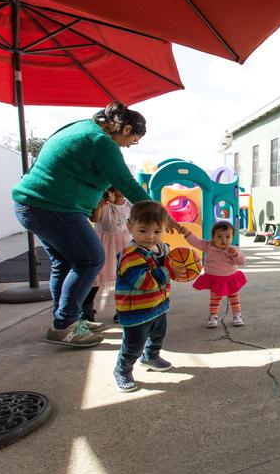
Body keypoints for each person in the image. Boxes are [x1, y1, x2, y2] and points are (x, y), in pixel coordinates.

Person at [12, 102, 179, 348]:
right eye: (133, 139)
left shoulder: (83, 128)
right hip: (52, 208)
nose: (130, 145)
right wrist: (162, 215)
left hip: (31, 205)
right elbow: (127, 184)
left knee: (65, 263)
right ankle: (64, 325)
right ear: (126, 128)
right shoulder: (102, 142)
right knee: (90, 259)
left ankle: (67, 320)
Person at [113, 200, 175, 393]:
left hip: (158, 305)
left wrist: (182, 264)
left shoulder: (162, 248)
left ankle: (151, 356)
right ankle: (122, 370)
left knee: (157, 335)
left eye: (157, 232)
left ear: (164, 229)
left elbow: (170, 264)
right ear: (130, 226)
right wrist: (169, 270)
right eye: (143, 231)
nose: (150, 237)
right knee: (133, 344)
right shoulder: (130, 255)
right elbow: (144, 282)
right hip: (136, 311)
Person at [180, 221, 247, 328]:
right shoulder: (208, 246)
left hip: (230, 278)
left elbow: (242, 262)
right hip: (215, 279)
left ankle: (237, 315)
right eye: (219, 236)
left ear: (232, 237)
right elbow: (196, 242)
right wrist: (187, 233)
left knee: (234, 298)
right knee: (215, 299)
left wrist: (235, 255)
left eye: (227, 236)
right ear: (212, 237)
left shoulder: (234, 249)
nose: (223, 240)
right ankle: (213, 316)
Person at [85, 187, 132, 324]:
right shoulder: (104, 203)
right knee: (96, 278)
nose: (120, 189)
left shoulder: (129, 204)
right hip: (104, 244)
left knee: (125, 278)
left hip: (124, 245)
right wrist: (102, 203)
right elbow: (94, 218)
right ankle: (86, 307)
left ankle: (122, 309)